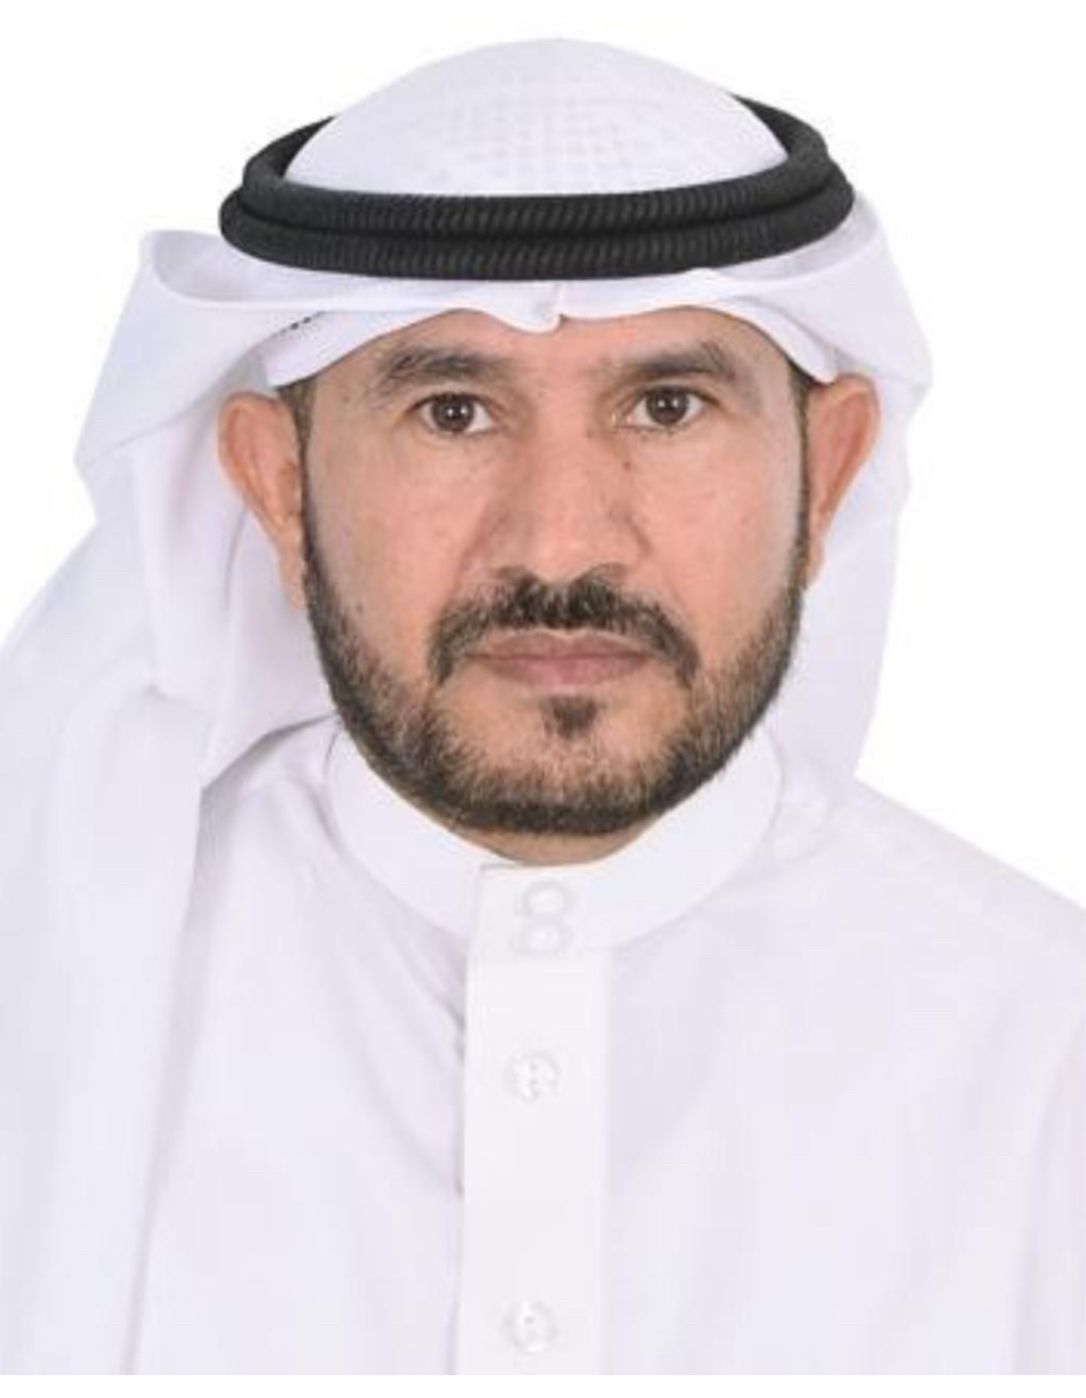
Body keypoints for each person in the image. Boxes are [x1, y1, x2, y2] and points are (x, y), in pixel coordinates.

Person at [0, 37, 1082, 1376]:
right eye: (453, 412)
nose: (561, 543)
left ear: (831, 469)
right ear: (277, 486)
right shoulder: (48, 1004)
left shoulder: (1046, 1059)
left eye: (667, 407)